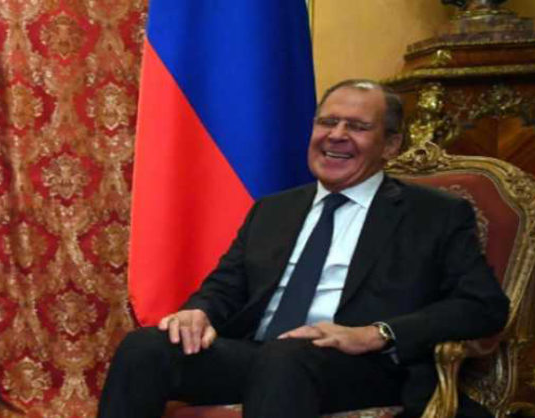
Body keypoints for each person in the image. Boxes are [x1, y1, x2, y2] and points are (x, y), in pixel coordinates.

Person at [98, 80, 510, 418]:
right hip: (261, 356)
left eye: (357, 127)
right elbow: (226, 286)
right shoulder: (274, 209)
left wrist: (376, 334)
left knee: (286, 358)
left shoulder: (434, 214)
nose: (337, 135)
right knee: (145, 347)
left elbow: (483, 305)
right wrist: (199, 311)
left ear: (390, 145)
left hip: (361, 367)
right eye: (327, 122)